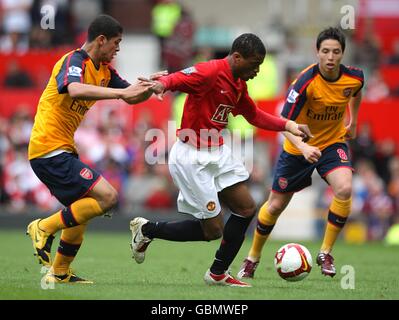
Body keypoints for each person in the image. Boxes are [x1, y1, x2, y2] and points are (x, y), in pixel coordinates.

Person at [129, 33, 312, 287]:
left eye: (260, 65)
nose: (257, 70)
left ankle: (218, 273)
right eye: (254, 64)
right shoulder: (210, 72)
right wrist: (162, 85)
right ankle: (147, 230)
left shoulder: (238, 83)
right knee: (212, 231)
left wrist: (289, 125)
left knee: (247, 208)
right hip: (192, 156)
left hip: (217, 151)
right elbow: (180, 77)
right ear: (237, 57)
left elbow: (253, 115)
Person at [26, 14, 163, 284]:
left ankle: (60, 273)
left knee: (81, 209)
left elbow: (131, 95)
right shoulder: (74, 61)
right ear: (101, 40)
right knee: (108, 198)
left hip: (61, 149)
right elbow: (74, 89)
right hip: (47, 148)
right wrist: (123, 93)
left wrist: (152, 85)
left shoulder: (105, 71)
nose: (118, 49)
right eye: (116, 43)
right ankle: (43, 227)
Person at [238, 27, 364, 279]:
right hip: (297, 148)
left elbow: (356, 93)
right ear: (317, 52)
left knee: (345, 188)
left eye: (336, 52)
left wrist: (353, 122)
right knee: (274, 206)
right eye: (325, 51)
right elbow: (284, 122)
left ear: (342, 54)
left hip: (331, 144)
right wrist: (304, 147)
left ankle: (325, 252)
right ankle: (252, 258)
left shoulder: (355, 77)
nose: (330, 57)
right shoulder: (305, 82)